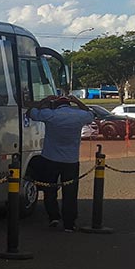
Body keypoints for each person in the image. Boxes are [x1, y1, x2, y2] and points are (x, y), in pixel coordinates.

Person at [26, 94, 95, 232]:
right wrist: (77, 101)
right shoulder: (79, 116)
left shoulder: (50, 115)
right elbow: (91, 114)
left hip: (50, 158)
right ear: (69, 105)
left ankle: (53, 217)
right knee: (70, 192)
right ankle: (69, 223)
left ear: (55, 105)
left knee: (50, 190)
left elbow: (30, 113)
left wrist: (44, 101)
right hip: (71, 160)